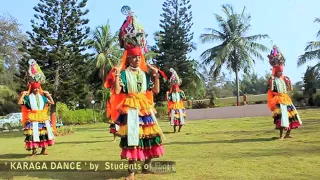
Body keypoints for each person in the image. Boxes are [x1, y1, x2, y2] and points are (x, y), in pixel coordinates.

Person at [17, 82, 55, 157]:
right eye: (34, 88)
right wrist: (23, 95)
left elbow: (52, 102)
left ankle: (43, 150)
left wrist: (48, 95)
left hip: (43, 118)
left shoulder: (43, 97)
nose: (36, 89)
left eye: (37, 88)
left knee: (44, 134)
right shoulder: (28, 98)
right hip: (33, 118)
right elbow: (19, 102)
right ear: (32, 89)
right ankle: (34, 151)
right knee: (34, 134)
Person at [267, 65, 302, 140]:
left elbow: (290, 89)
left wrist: (289, 81)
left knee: (291, 116)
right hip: (279, 100)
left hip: (286, 99)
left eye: (281, 71)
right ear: (276, 72)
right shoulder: (273, 80)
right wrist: (272, 80)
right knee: (282, 117)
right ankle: (281, 136)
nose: (281, 73)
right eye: (279, 71)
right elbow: (272, 89)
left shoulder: (283, 80)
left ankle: (287, 134)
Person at [166, 68, 187, 132]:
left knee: (181, 118)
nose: (175, 89)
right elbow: (168, 99)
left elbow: (184, 98)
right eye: (174, 88)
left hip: (179, 106)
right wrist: (167, 94)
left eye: (176, 88)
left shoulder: (180, 93)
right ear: (172, 88)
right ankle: (174, 129)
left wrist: (183, 94)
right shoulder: (170, 94)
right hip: (173, 107)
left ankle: (179, 129)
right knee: (174, 119)